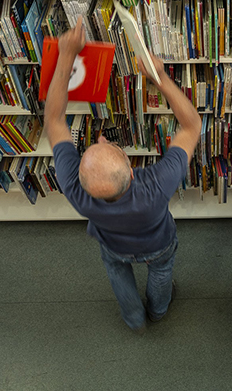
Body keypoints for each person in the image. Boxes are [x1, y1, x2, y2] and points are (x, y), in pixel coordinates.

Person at [45, 17, 201, 334]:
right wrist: (161, 79)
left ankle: (134, 319)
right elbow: (192, 127)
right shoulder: (156, 185)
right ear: (132, 170)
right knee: (161, 270)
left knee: (116, 270)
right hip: (158, 244)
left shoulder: (76, 191)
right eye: (106, 145)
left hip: (114, 245)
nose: (102, 139)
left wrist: (66, 55)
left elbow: (54, 120)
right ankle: (158, 311)